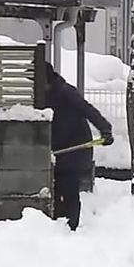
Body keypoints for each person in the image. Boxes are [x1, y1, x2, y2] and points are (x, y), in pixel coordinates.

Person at [41, 62, 114, 231]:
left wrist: (105, 129)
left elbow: (87, 110)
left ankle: (70, 228)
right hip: (56, 150)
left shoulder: (66, 92)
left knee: (69, 189)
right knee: (55, 189)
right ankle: (58, 227)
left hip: (76, 148)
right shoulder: (40, 95)